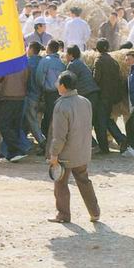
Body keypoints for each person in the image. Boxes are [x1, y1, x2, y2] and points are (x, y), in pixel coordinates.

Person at [47, 71, 100, 224]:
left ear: (63, 86)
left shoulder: (61, 105)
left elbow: (59, 136)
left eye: (58, 82)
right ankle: (95, 212)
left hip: (66, 153)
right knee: (84, 181)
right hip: (82, 150)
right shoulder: (85, 101)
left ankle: (63, 215)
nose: (56, 84)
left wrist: (54, 154)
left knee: (61, 183)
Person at [91, 39, 127, 153]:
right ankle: (121, 140)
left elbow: (96, 79)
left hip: (102, 96)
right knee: (106, 120)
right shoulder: (113, 61)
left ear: (97, 49)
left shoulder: (99, 60)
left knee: (100, 123)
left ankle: (105, 147)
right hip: (111, 96)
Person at [0, 65, 30, 163]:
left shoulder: (7, 64)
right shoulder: (23, 64)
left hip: (8, 97)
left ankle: (18, 150)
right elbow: (26, 79)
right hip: (21, 97)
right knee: (14, 126)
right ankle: (12, 155)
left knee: (4, 125)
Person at [36, 40, 67, 137]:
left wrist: (41, 89)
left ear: (48, 48)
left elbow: (39, 78)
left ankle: (47, 141)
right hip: (59, 93)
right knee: (56, 116)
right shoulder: (61, 63)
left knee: (47, 117)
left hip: (49, 93)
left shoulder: (45, 61)